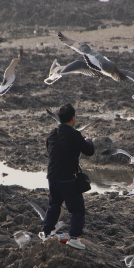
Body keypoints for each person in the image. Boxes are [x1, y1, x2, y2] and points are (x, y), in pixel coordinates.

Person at [42, 103, 94, 249]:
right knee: (77, 210)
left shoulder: (52, 133)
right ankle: (74, 238)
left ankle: (46, 234)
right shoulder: (75, 134)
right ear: (73, 118)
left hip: (52, 176)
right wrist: (88, 140)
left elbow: (49, 149)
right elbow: (89, 151)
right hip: (68, 178)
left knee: (54, 205)